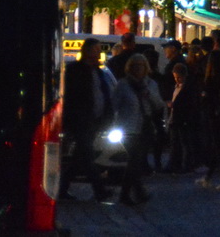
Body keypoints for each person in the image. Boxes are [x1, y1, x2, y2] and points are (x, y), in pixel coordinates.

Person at [62, 40, 115, 200]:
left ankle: (62, 187)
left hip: (94, 119)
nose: (98, 53)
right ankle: (100, 190)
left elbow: (103, 94)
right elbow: (72, 96)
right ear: (87, 51)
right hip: (81, 119)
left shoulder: (98, 71)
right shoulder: (75, 70)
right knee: (86, 154)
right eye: (95, 50)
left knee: (81, 156)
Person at [111, 53, 166, 206]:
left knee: (136, 161)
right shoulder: (123, 85)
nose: (138, 69)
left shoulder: (150, 84)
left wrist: (149, 95)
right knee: (133, 160)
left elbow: (159, 104)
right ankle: (133, 192)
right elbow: (114, 105)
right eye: (134, 66)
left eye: (141, 66)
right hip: (128, 127)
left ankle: (132, 193)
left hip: (145, 126)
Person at [196, 48, 220, 190]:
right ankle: (208, 178)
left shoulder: (211, 79)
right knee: (217, 146)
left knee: (218, 147)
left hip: (214, 115)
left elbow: (206, 98)